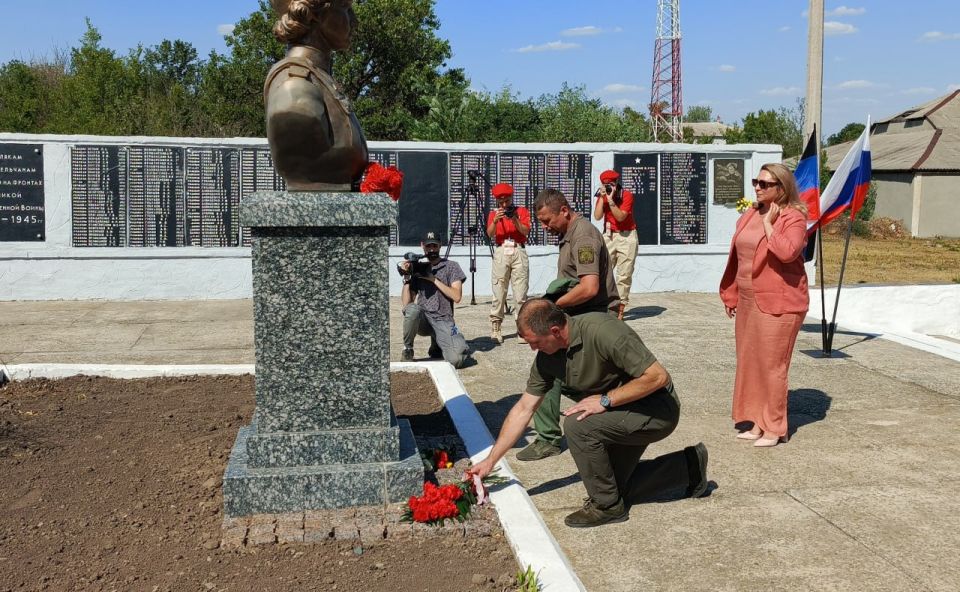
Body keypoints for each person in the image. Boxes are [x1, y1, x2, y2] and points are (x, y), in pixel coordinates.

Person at [467, 298, 709, 528]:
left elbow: (657, 376)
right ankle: (689, 467)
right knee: (611, 484)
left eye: (535, 342)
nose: (532, 349)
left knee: (577, 424)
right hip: (618, 413)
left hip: (656, 409)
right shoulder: (547, 357)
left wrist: (605, 400)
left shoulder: (604, 331)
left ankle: (607, 507)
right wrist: (491, 461)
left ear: (555, 331)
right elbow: (524, 408)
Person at [515, 189, 620, 461]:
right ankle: (553, 434)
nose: (545, 227)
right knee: (552, 368)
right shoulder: (569, 234)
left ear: (564, 210)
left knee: (553, 370)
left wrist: (552, 307)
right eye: (541, 222)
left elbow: (589, 287)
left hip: (593, 317)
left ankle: (555, 436)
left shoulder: (583, 235)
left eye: (548, 220)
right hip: (579, 315)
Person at [719, 163, 809, 448]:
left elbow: (787, 252)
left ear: (781, 189)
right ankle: (757, 422)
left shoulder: (793, 218)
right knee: (751, 362)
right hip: (748, 300)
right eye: (756, 181)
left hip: (780, 302)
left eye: (765, 184)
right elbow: (740, 258)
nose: (757, 187)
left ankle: (774, 426)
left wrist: (770, 225)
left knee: (772, 365)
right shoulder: (749, 214)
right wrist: (731, 294)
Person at [265, 0, 368, 190]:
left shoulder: (320, 80)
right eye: (345, 9)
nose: (354, 20)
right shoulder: (296, 87)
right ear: (313, 14)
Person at [399, 231, 470, 368]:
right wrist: (407, 278)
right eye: (428, 246)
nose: (431, 249)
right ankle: (407, 349)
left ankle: (438, 343)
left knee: (457, 360)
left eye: (434, 246)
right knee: (412, 309)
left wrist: (433, 279)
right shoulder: (418, 268)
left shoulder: (451, 266)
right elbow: (406, 304)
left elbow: (457, 296)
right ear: (422, 246)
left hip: (443, 319)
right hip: (424, 319)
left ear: (440, 246)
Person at [486, 183, 531, 344]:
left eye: (507, 201)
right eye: (501, 202)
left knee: (520, 293)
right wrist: (496, 221)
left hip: (518, 249)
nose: (505, 205)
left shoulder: (521, 211)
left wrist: (515, 219)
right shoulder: (494, 213)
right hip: (501, 249)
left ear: (512, 198)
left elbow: (526, 231)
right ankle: (496, 326)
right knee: (499, 290)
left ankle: (522, 328)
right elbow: (489, 234)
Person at [592, 170, 637, 320]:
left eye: (611, 185)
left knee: (624, 274)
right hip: (609, 236)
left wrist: (611, 201)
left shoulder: (627, 195)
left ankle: (620, 308)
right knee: (603, 271)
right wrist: (601, 197)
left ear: (616, 183)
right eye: (605, 185)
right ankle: (604, 305)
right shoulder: (603, 195)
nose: (609, 187)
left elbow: (620, 216)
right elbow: (597, 216)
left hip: (626, 235)